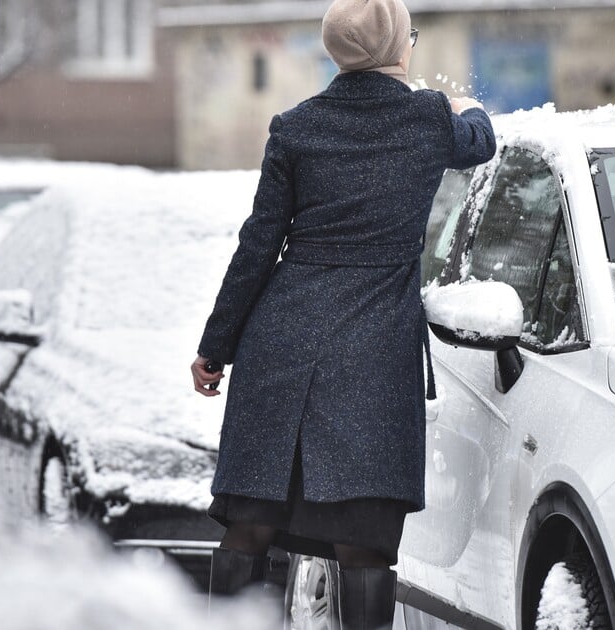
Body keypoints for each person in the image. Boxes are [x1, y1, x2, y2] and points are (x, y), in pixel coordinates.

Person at [191, 0, 495, 626]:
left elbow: (257, 245)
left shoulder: (297, 126)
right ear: (396, 48)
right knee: (362, 540)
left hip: (283, 337)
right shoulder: (428, 119)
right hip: (371, 348)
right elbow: (482, 142)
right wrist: (468, 106)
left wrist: (215, 347)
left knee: (249, 525)